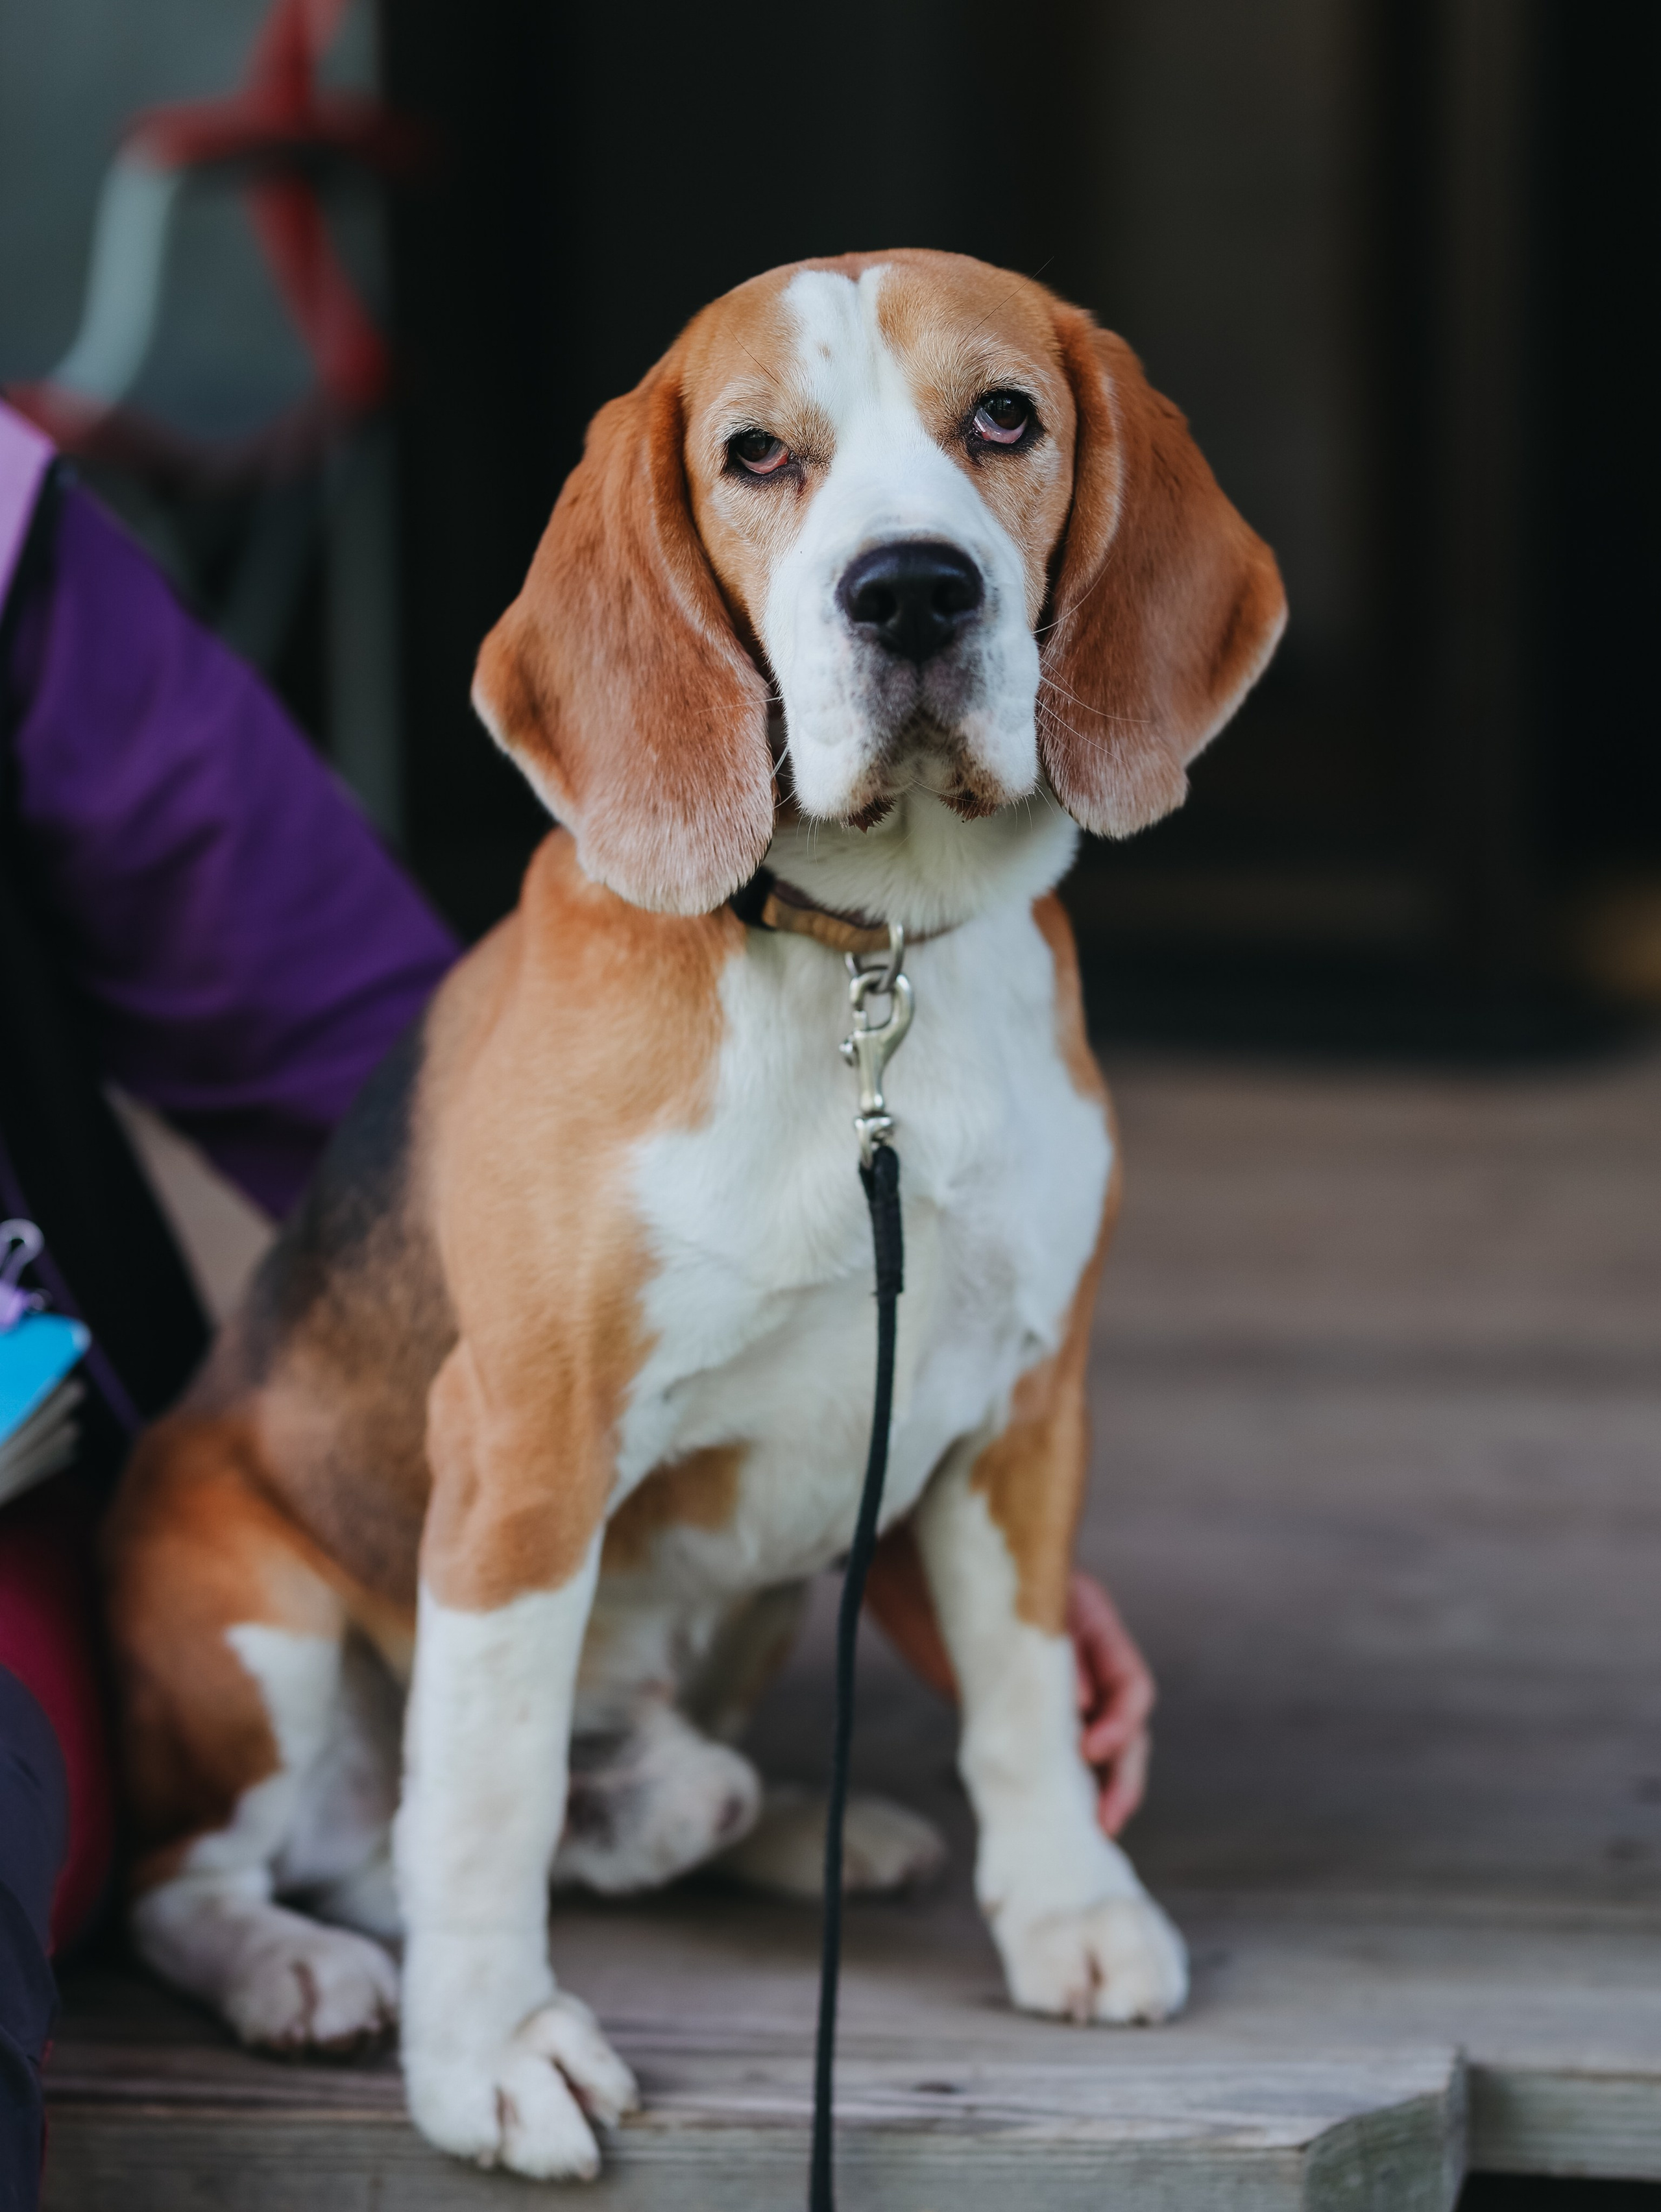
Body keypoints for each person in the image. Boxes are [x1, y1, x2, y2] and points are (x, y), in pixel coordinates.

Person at [0, 397, 1154, 2205]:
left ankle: (664, 1804)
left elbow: (331, 1017)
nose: (906, 532)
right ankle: (217, 1898)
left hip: (613, 1596)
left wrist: (1047, 1822)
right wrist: (475, 1987)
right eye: (769, 460)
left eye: (994, 426)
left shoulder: (15, 548)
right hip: (322, 1561)